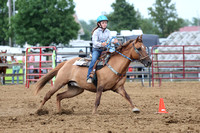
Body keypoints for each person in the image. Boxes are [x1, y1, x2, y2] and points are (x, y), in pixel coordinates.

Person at [86, 15, 118, 83]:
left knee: (113, 58)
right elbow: (94, 42)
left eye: (106, 23)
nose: (105, 24)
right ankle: (89, 76)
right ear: (99, 24)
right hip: (97, 49)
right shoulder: (96, 32)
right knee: (94, 60)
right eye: (103, 23)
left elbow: (110, 39)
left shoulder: (108, 31)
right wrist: (101, 44)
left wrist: (114, 41)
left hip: (105, 50)